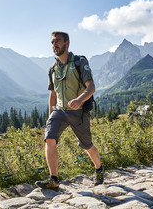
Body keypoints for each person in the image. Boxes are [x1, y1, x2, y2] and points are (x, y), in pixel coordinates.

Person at [35, 31, 104, 190]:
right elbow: (52, 94)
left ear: (67, 43)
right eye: (52, 42)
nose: (54, 45)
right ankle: (54, 179)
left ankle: (99, 169)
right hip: (59, 111)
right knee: (49, 138)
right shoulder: (52, 69)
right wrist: (50, 116)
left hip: (79, 112)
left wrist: (79, 100)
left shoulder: (80, 62)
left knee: (87, 146)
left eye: (58, 41)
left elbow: (91, 87)